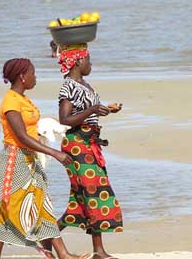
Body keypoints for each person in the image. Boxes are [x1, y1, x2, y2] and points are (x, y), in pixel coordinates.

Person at [0, 58, 91, 259]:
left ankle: (63, 255)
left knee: (43, 205)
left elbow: (30, 130)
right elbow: (21, 136)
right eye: (32, 73)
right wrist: (54, 153)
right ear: (22, 76)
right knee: (10, 210)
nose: (35, 77)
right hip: (15, 160)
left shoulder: (24, 99)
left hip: (29, 158)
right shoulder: (10, 101)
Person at [55, 44, 124, 259]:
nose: (91, 64)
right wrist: (92, 110)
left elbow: (88, 112)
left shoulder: (85, 85)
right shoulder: (68, 86)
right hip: (77, 144)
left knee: (84, 197)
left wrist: (105, 109)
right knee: (93, 192)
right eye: (88, 60)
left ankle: (49, 238)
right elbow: (65, 120)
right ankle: (98, 251)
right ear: (77, 61)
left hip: (89, 143)